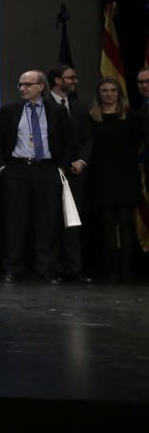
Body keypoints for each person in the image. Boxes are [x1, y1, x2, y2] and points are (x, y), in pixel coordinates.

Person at [0, 70, 74, 284]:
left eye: (28, 84)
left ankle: (46, 268)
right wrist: (3, 167)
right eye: (20, 84)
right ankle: (13, 267)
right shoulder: (10, 110)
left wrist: (62, 169)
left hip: (47, 170)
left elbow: (69, 142)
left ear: (41, 87)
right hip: (17, 170)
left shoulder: (56, 111)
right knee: (14, 222)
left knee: (47, 222)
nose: (22, 88)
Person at [88, 77, 143, 282]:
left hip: (127, 175)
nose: (109, 94)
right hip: (102, 176)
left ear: (119, 93)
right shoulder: (92, 117)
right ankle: (111, 270)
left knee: (127, 222)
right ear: (99, 94)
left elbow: (138, 143)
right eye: (104, 91)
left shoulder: (132, 116)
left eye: (113, 90)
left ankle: (126, 270)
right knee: (108, 224)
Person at [47, 65, 93, 282]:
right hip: (52, 171)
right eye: (70, 77)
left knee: (74, 222)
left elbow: (88, 139)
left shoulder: (79, 107)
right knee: (53, 222)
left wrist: (82, 160)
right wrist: (61, 163)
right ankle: (54, 270)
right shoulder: (43, 106)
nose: (75, 81)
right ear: (58, 80)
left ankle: (74, 268)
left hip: (76, 173)